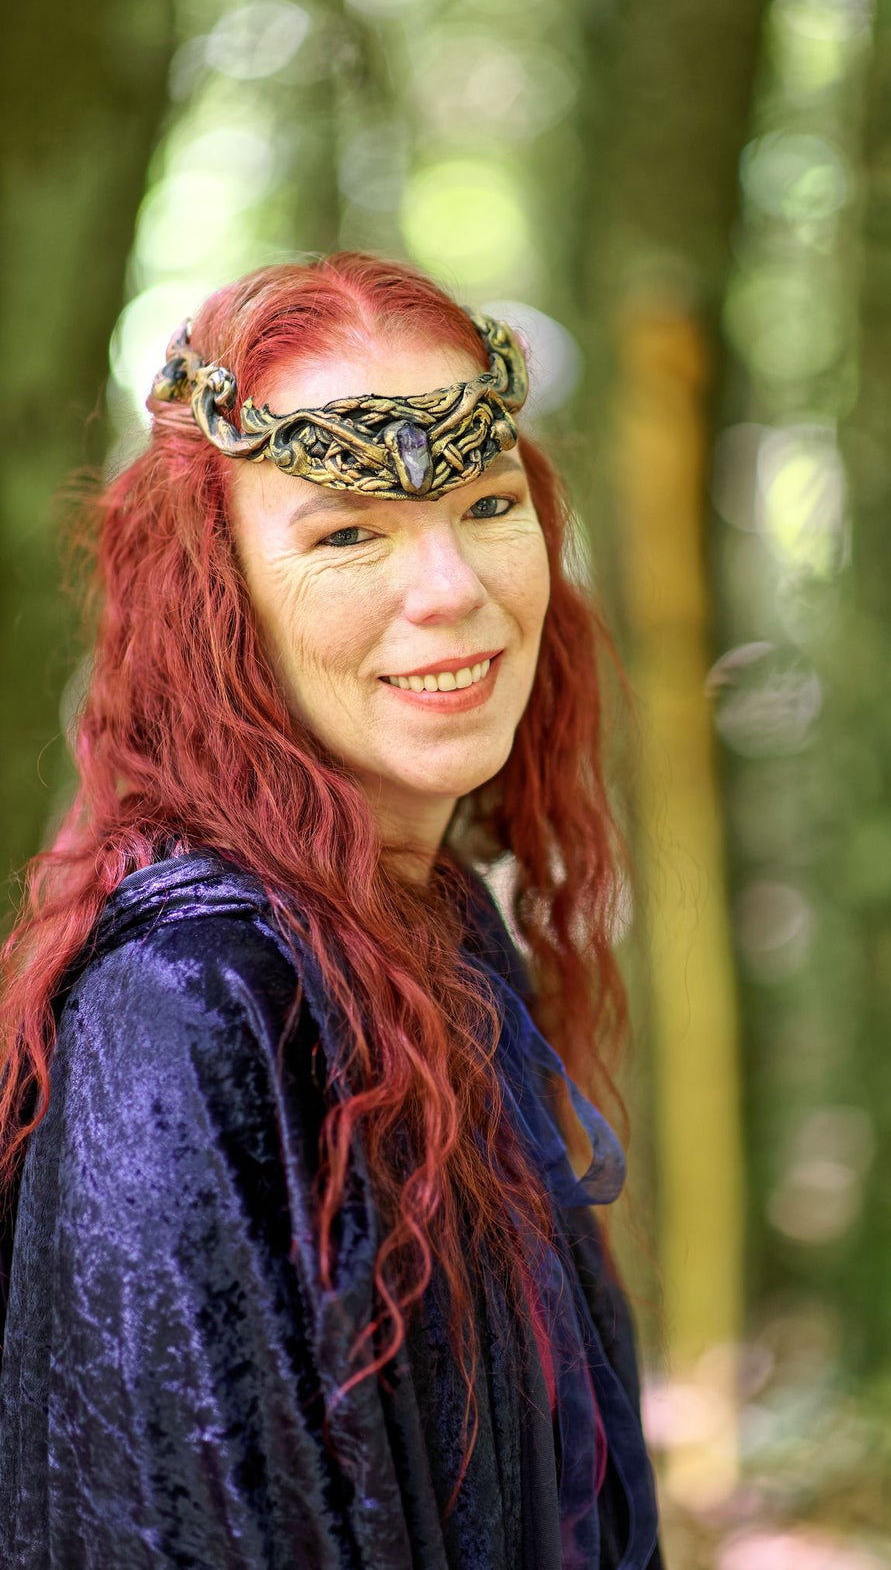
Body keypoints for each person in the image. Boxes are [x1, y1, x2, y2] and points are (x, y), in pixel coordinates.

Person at [0, 252, 664, 1569]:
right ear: (217, 596)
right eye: (348, 531)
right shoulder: (191, 997)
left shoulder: (436, 920)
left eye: (485, 504)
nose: (452, 590)